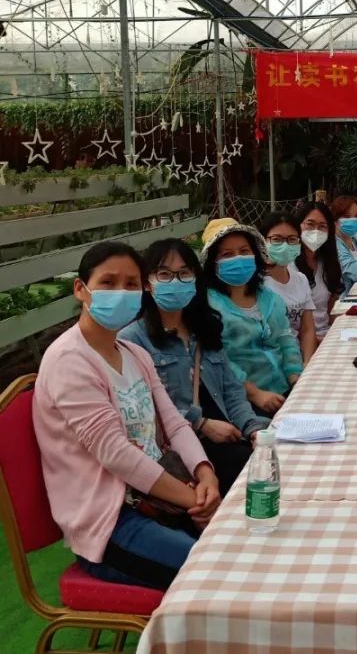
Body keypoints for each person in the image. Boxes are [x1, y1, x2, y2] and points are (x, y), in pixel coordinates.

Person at [34, 242, 219, 590]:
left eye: (131, 284)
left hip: (161, 502)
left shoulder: (134, 354)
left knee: (245, 547)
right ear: (80, 289)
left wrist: (204, 472)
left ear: (144, 289)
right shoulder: (69, 361)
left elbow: (174, 423)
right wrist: (194, 499)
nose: (121, 292)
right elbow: (115, 453)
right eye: (108, 282)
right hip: (111, 523)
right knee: (218, 572)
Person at [120, 239, 269, 495]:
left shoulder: (204, 328)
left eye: (184, 273)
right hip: (184, 447)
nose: (175, 282)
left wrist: (253, 429)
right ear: (147, 283)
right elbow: (145, 409)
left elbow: (232, 390)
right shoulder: (132, 339)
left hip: (231, 432)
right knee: (252, 473)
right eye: (164, 274)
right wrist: (202, 424)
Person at [202, 218, 303, 416]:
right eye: (227, 254)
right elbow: (218, 360)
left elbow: (286, 340)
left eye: (244, 251)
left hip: (285, 390)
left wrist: (295, 377)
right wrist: (255, 394)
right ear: (212, 263)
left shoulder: (270, 298)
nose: (238, 258)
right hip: (243, 403)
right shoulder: (208, 306)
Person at [258, 212, 317, 364]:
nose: (285, 246)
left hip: (298, 360)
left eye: (292, 239)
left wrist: (307, 364)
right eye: (277, 239)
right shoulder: (257, 283)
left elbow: (307, 330)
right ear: (263, 241)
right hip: (270, 364)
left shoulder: (301, 279)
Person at [295, 200, 343, 342]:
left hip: (326, 334)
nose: (316, 231)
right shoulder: (289, 265)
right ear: (298, 226)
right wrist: (317, 340)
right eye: (310, 224)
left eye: (322, 226)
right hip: (298, 340)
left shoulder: (328, 264)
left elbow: (330, 309)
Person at [330, 195, 357, 292]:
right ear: (335, 220)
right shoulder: (335, 243)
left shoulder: (353, 239)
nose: (353, 219)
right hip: (343, 295)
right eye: (346, 216)